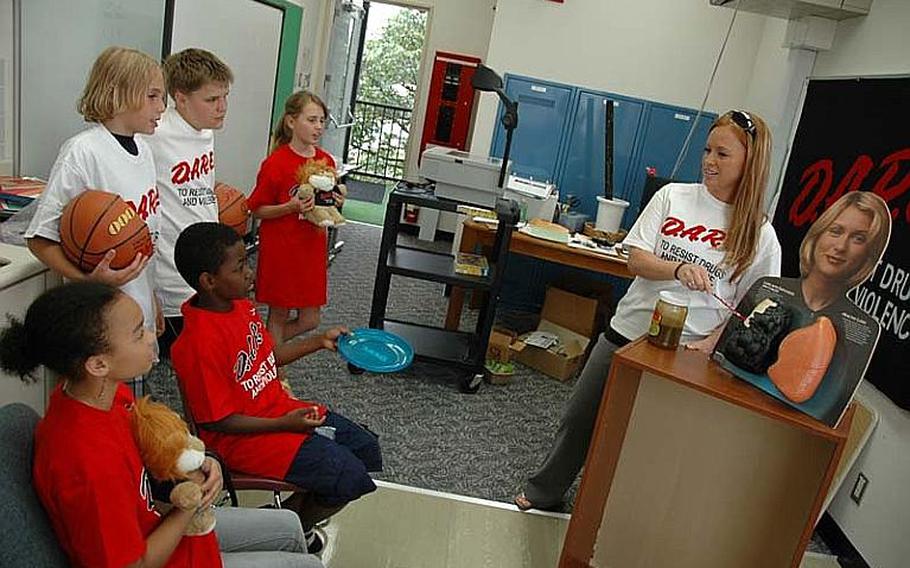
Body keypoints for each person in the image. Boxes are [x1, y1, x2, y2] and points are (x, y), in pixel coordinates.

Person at [515, 110, 783, 512]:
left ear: (750, 160)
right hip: (628, 331)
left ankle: (620, 514)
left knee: (652, 442)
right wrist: (676, 268)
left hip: (687, 354)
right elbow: (635, 260)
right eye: (707, 150)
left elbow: (754, 304)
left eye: (723, 154)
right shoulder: (672, 196)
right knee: (580, 417)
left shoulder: (760, 234)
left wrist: (712, 342)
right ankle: (545, 491)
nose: (709, 161)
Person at [0, 281, 324, 568]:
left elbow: (149, 453)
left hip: (161, 522)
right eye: (138, 331)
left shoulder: (101, 395)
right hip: (164, 543)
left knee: (289, 527)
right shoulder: (88, 464)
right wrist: (187, 505)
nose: (152, 335)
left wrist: (198, 463)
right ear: (98, 364)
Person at [171, 222, 381, 554]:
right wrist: (287, 424)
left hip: (280, 413)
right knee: (348, 476)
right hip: (241, 439)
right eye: (240, 267)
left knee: (366, 447)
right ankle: (285, 532)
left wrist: (318, 341)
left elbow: (266, 355)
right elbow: (217, 422)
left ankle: (279, 520)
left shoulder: (240, 306)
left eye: (247, 261)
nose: (250, 273)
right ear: (209, 281)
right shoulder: (197, 344)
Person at [25, 46, 164, 398]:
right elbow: (39, 238)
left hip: (137, 310)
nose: (161, 108)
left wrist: (154, 299)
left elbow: (144, 239)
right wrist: (88, 279)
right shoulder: (82, 152)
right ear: (118, 94)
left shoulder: (144, 151)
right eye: (152, 96)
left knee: (134, 408)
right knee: (102, 408)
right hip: (101, 323)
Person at [143, 47, 233, 358]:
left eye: (225, 97)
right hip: (171, 273)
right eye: (211, 100)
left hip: (207, 261)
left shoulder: (206, 130)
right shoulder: (155, 133)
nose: (222, 107)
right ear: (180, 98)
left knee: (210, 359)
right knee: (177, 363)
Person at [247, 91, 344, 343]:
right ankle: (274, 371)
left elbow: (327, 200)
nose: (319, 127)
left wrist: (337, 200)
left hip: (312, 248)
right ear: (291, 122)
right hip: (282, 247)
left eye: (322, 120)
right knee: (278, 314)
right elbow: (256, 209)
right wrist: (290, 207)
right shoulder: (276, 163)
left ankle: (263, 351)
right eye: (312, 120)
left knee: (311, 319)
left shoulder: (326, 160)